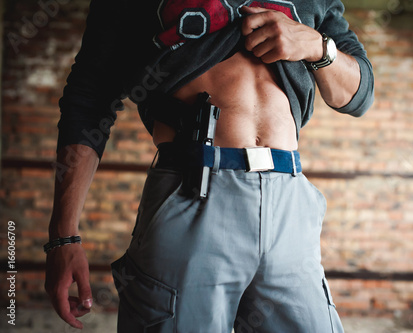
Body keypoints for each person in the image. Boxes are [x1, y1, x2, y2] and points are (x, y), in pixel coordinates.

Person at [44, 0, 374, 332]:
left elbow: (359, 93)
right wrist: (63, 236)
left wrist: (318, 47)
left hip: (289, 200)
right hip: (194, 191)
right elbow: (89, 96)